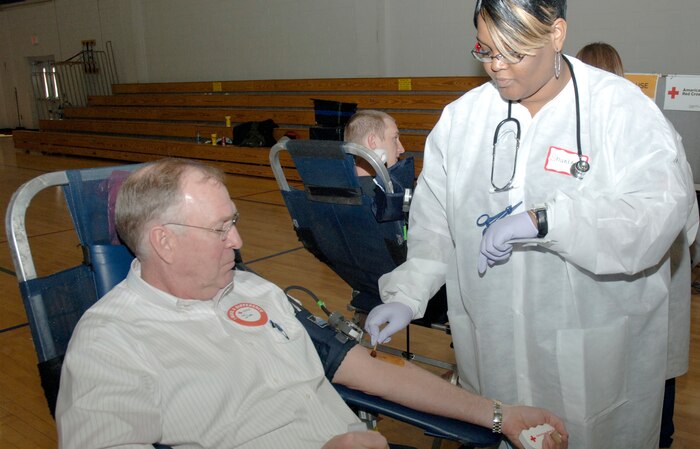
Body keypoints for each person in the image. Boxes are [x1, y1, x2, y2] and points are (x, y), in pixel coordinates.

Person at [364, 0, 697, 448]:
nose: (497, 65)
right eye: (486, 49)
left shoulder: (619, 110)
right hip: (493, 351)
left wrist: (548, 223)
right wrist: (408, 293)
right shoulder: (462, 122)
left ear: (557, 34)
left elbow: (656, 215)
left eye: (515, 52)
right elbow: (436, 227)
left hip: (591, 353)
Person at [55, 158, 568, 449]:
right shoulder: (111, 342)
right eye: (221, 228)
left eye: (233, 221)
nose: (238, 241)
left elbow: (365, 370)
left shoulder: (256, 292)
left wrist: (500, 415)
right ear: (164, 242)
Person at [577, 40, 699, 448]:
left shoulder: (642, 134)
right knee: (646, 375)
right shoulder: (657, 128)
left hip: (629, 293)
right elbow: (692, 227)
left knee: (632, 376)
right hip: (631, 293)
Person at [344, 110, 405, 196]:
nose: (402, 149)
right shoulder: (380, 198)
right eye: (395, 138)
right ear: (372, 142)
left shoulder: (333, 188)